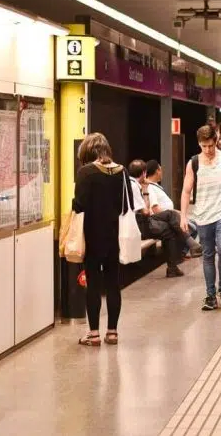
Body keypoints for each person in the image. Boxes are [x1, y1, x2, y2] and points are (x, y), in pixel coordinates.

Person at [73, 132, 128, 346]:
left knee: (93, 283)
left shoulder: (85, 172)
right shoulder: (121, 171)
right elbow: (126, 205)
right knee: (113, 283)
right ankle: (112, 332)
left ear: (88, 151)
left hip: (92, 234)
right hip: (114, 234)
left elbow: (79, 205)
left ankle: (94, 334)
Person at [181, 124, 221, 311]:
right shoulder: (194, 163)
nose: (207, 150)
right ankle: (210, 295)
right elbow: (186, 191)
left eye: (210, 145)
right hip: (203, 215)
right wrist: (183, 216)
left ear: (216, 141)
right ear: (199, 144)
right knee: (208, 255)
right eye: (203, 146)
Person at [127, 159, 184, 278]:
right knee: (170, 230)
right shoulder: (134, 186)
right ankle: (173, 267)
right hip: (138, 225)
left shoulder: (128, 183)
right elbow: (146, 212)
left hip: (136, 222)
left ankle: (187, 241)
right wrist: (146, 190)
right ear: (143, 173)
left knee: (171, 215)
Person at [144, 159, 203, 257]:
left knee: (194, 224)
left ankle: (186, 251)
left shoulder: (155, 186)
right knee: (191, 227)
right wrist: (175, 214)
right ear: (157, 171)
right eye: (161, 169)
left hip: (170, 217)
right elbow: (155, 209)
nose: (162, 172)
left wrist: (178, 212)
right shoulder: (150, 187)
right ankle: (183, 252)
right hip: (164, 220)